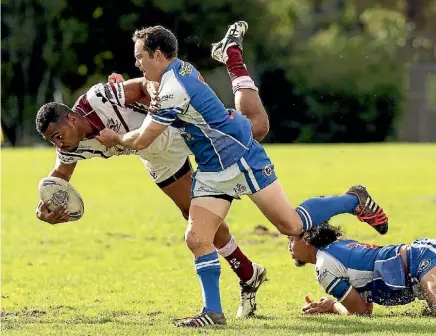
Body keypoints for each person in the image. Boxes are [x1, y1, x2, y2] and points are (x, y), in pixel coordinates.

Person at [96, 21, 389, 327]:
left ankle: (352, 199)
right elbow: (152, 88)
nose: (136, 63)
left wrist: (114, 139)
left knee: (290, 224)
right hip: (212, 167)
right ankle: (212, 312)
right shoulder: (174, 71)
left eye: (139, 56)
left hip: (240, 156)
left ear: (157, 54)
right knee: (197, 238)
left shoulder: (173, 88)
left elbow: (143, 139)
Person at [34, 26, 272, 318]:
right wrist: (45, 205)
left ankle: (232, 56)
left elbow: (145, 85)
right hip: (154, 157)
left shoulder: (99, 98)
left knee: (257, 128)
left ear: (71, 119)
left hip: (168, 127)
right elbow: (60, 175)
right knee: (196, 218)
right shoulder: (68, 148)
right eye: (52, 141)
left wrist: (160, 102)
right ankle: (248, 273)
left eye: (58, 135)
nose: (59, 144)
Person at [289, 223, 436, 316]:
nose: (289, 247)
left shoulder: (324, 268)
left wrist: (333, 306)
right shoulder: (337, 246)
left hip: (423, 260)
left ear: (306, 238)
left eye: (291, 240)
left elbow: (361, 311)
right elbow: (364, 305)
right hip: (423, 254)